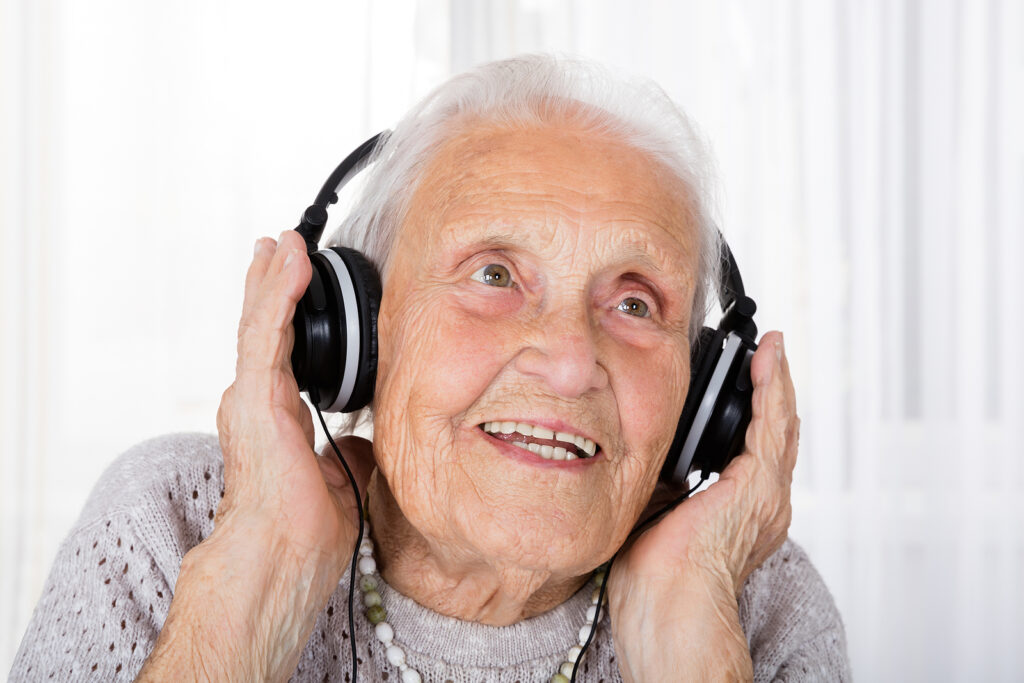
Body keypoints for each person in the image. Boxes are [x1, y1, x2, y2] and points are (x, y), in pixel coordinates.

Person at [11, 55, 850, 682]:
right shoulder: (174, 519)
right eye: (493, 274)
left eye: (635, 304)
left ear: (705, 392)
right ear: (353, 332)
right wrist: (255, 569)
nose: (567, 361)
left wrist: (692, 637)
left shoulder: (751, 595)